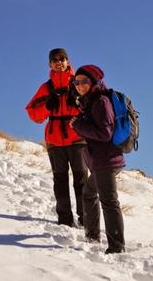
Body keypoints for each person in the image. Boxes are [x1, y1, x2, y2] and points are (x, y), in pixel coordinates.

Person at [26, 48, 88, 227]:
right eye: (55, 60)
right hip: (54, 141)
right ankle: (64, 220)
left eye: (62, 58)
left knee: (82, 181)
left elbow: (92, 107)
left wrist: (77, 103)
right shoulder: (46, 88)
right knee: (60, 181)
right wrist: (47, 106)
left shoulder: (79, 82)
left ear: (68, 61)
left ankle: (86, 219)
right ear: (50, 64)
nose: (59, 62)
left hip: (77, 138)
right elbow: (34, 114)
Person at [70, 64, 126, 254]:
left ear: (93, 81)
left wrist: (78, 125)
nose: (79, 85)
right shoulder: (91, 101)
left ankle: (117, 247)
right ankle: (92, 237)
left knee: (109, 202)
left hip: (106, 160)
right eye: (76, 81)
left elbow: (104, 133)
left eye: (84, 81)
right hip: (102, 160)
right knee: (88, 193)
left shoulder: (100, 101)